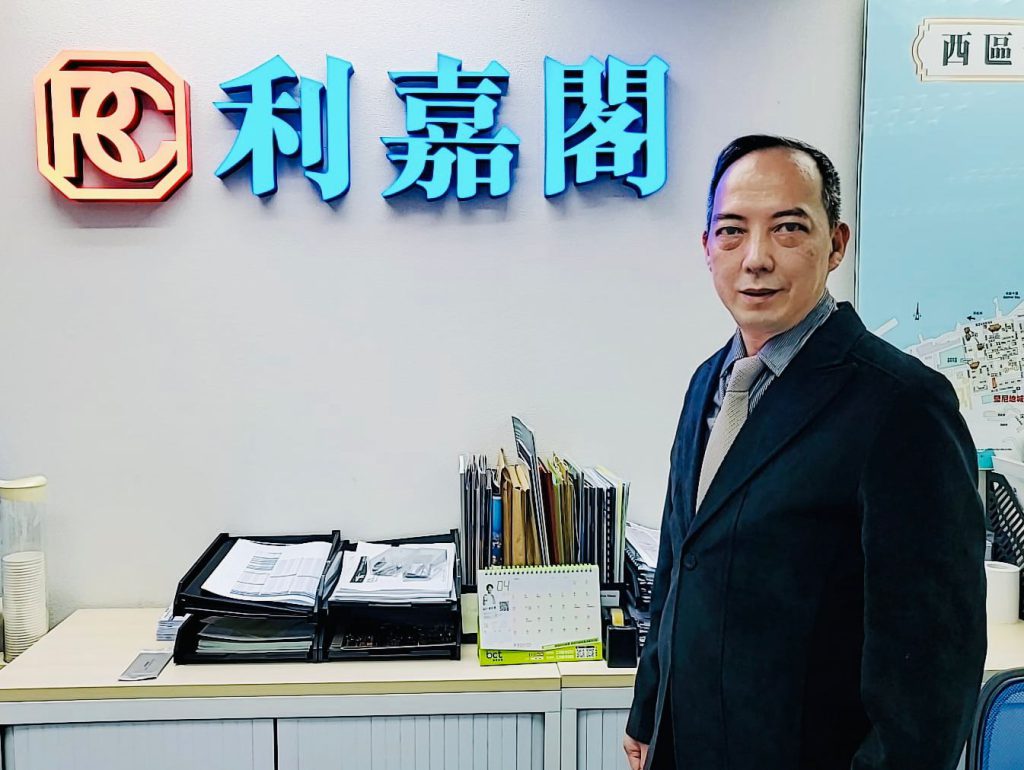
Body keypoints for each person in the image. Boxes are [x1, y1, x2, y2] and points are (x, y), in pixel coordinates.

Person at [623, 135, 987, 770]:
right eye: (732, 232)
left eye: (788, 228)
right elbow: (682, 564)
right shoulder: (709, 382)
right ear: (707, 248)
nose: (756, 258)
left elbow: (931, 672)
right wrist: (649, 710)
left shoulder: (901, 405)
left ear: (836, 244)